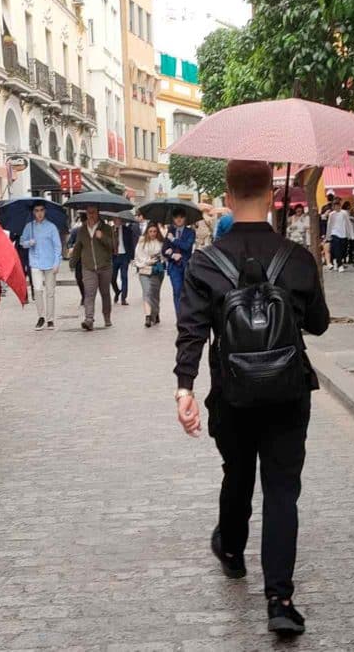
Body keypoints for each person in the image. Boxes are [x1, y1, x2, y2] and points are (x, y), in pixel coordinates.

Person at [175, 159, 329, 636]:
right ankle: (280, 599)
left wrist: (185, 387)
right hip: (288, 393)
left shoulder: (205, 261)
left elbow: (192, 331)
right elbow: (319, 323)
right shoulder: (296, 256)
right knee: (283, 490)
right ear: (270, 195)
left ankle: (232, 550)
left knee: (237, 473)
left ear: (227, 192)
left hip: (232, 394)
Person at [71, 204, 116, 331]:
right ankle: (89, 319)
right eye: (89, 213)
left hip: (105, 266)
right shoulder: (82, 230)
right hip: (88, 267)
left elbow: (113, 246)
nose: (91, 215)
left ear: (98, 213)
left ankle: (107, 317)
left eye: (93, 212)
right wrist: (73, 262)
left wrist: (102, 238)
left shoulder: (106, 228)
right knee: (89, 293)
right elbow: (78, 247)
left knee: (105, 293)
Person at [20, 201, 63, 331]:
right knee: (38, 291)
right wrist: (29, 243)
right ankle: (41, 317)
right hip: (35, 262)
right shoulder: (29, 227)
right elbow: (22, 242)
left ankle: (50, 319)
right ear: (33, 212)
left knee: (50, 292)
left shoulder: (51, 227)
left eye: (41, 210)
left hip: (50, 263)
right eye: (36, 211)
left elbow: (57, 246)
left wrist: (57, 262)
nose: (39, 213)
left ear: (45, 211)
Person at [162, 210, 196, 314]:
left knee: (187, 293)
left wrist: (174, 240)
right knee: (177, 291)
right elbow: (164, 250)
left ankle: (187, 314)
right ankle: (180, 318)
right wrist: (172, 255)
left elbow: (187, 246)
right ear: (173, 219)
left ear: (185, 218)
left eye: (181, 217)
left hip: (186, 266)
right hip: (174, 267)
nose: (179, 219)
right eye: (176, 217)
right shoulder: (170, 231)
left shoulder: (190, 232)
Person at [134, 222, 165, 327]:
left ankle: (155, 313)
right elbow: (138, 256)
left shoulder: (160, 242)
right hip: (144, 271)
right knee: (147, 292)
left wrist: (160, 258)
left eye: (155, 231)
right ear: (147, 231)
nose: (153, 233)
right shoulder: (141, 242)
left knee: (155, 295)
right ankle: (148, 316)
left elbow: (164, 257)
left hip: (157, 271)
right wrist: (148, 261)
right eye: (150, 231)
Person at [110, 215, 140, 307]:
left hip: (124, 256)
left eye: (118, 219)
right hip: (114, 257)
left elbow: (132, 243)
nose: (117, 221)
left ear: (121, 220)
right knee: (112, 278)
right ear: (113, 220)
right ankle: (117, 291)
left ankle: (124, 298)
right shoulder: (110, 230)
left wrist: (131, 257)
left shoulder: (127, 230)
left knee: (124, 277)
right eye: (115, 219)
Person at [326, 201, 354, 272]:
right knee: (337, 248)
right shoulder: (331, 214)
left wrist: (351, 234)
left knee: (343, 249)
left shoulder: (344, 213)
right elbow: (329, 225)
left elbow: (348, 223)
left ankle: (337, 261)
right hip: (334, 233)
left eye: (338, 206)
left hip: (343, 233)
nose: (336, 207)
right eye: (335, 206)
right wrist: (328, 235)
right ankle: (340, 265)